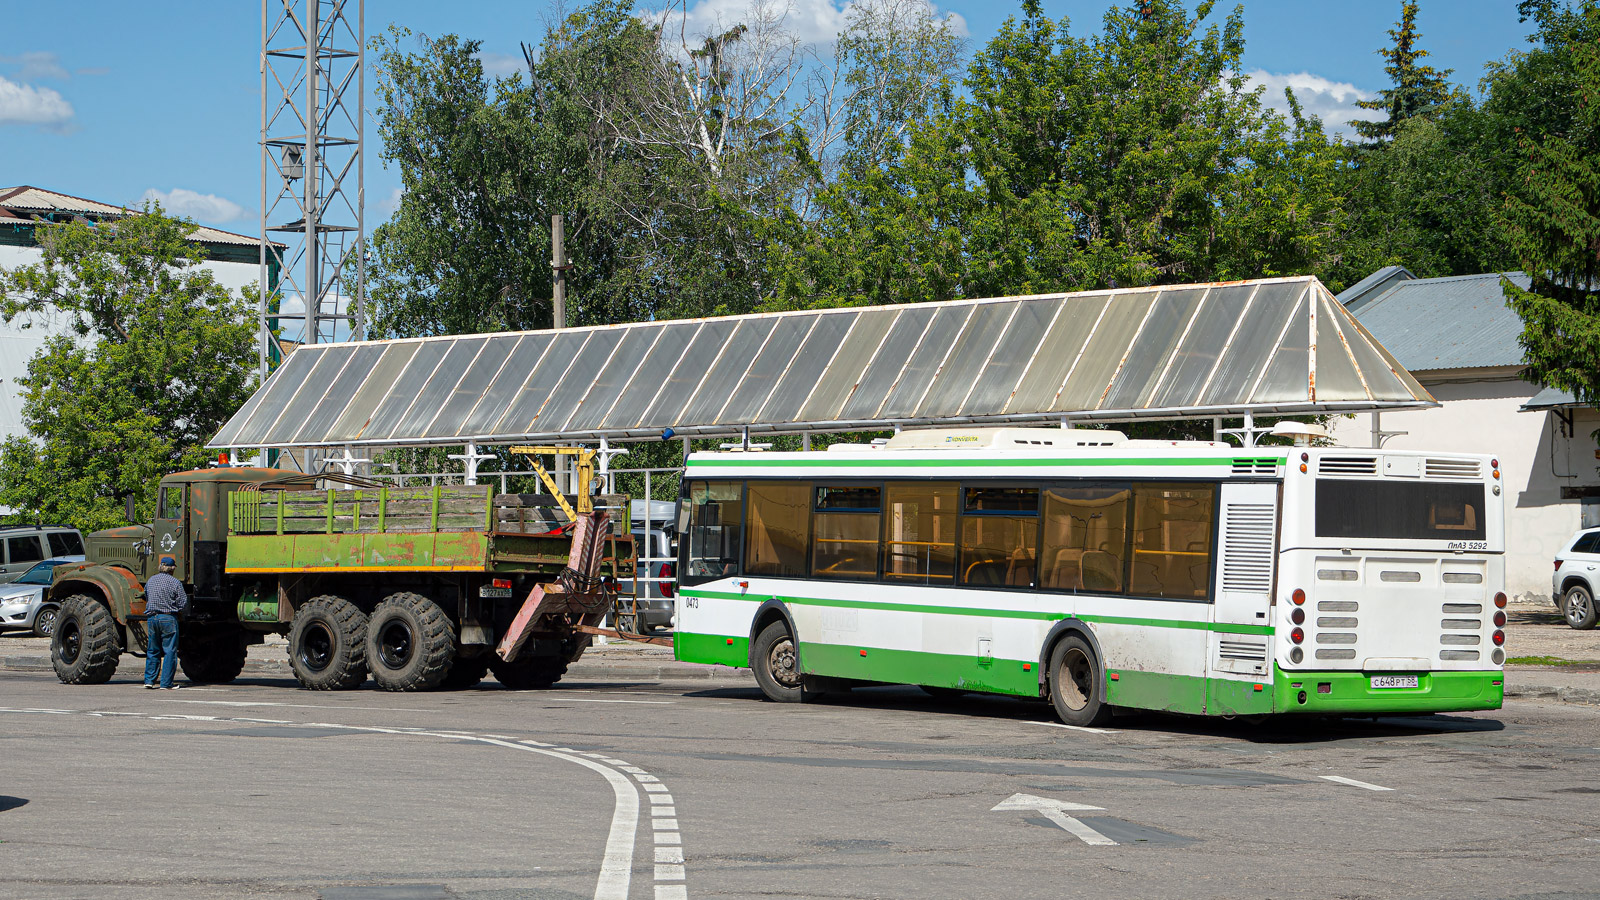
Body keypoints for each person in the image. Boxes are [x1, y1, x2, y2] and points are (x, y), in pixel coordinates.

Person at [143, 556, 187, 690]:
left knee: (152, 650)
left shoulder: (151, 580)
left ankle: (149, 681)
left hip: (152, 618)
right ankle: (166, 683)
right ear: (172, 569)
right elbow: (183, 602)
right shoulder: (175, 583)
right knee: (169, 651)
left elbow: (146, 595)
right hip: (168, 618)